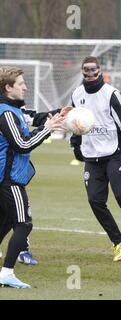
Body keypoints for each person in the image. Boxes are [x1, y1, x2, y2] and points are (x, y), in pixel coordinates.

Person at [70, 56, 121, 262]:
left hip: (114, 154)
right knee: (95, 200)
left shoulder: (111, 94)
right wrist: (76, 144)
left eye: (94, 69)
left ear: (100, 71)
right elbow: (75, 121)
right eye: (86, 70)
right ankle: (118, 242)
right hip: (91, 157)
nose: (91, 73)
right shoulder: (77, 94)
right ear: (82, 72)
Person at [0, 66, 67, 288]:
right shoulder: (6, 113)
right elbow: (21, 145)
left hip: (9, 178)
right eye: (21, 84)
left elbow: (33, 121)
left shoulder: (15, 109)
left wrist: (56, 117)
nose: (26, 87)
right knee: (24, 224)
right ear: (8, 88)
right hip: (9, 179)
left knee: (7, 220)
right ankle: (7, 273)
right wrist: (47, 129)